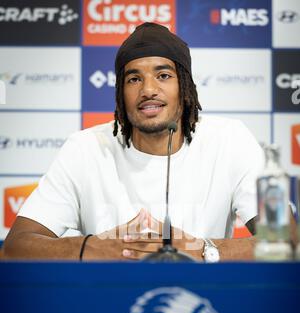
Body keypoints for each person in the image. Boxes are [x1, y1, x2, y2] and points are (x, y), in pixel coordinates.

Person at [3, 22, 264, 261]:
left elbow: (287, 242)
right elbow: (14, 248)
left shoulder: (230, 140)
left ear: (185, 87)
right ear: (120, 93)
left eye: (163, 75)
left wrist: (201, 248)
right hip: (106, 304)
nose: (148, 90)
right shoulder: (85, 148)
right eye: (134, 79)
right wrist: (89, 247)